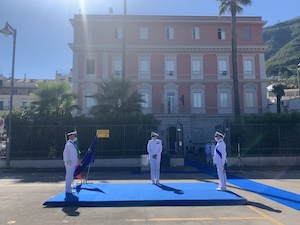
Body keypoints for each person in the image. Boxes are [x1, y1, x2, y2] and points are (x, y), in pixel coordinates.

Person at [63, 130, 79, 199]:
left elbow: (74, 154)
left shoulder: (72, 144)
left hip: (73, 163)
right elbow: (65, 153)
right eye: (73, 135)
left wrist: (77, 161)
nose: (75, 137)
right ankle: (68, 190)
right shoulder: (68, 144)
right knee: (69, 176)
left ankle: (70, 188)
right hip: (69, 163)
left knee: (71, 175)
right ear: (70, 136)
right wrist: (67, 161)